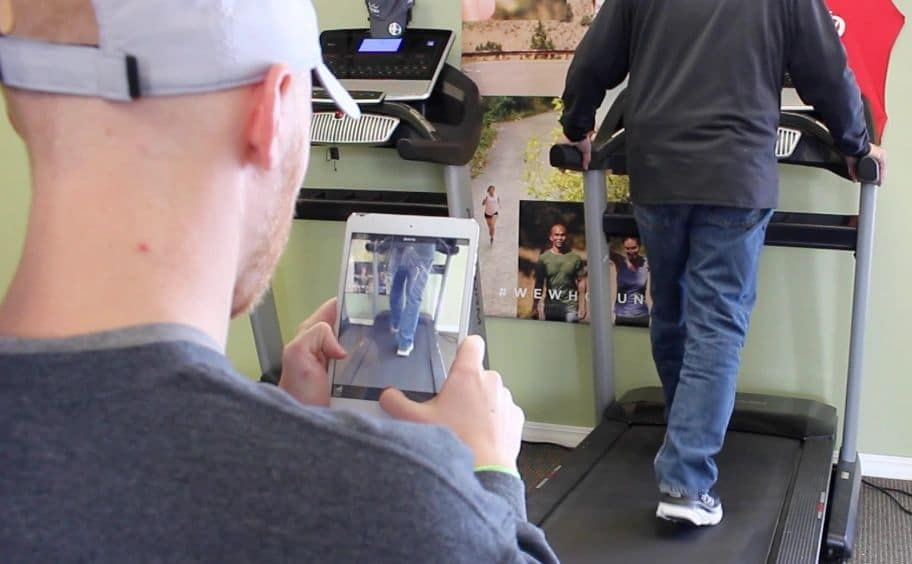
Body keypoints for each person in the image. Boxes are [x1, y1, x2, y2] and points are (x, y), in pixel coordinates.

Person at [0, 1, 558, 562]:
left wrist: (285, 427)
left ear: (20, 102)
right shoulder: (402, 507)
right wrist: (489, 474)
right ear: (267, 116)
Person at [560, 0, 888, 526]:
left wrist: (577, 126)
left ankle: (685, 437)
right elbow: (825, 70)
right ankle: (688, 480)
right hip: (736, 175)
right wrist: (855, 143)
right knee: (717, 322)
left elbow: (593, 62)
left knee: (672, 309)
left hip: (657, 169)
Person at [387, 239, 437, 357]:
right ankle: (404, 344)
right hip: (423, 247)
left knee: (397, 285)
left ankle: (396, 324)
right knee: (414, 296)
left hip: (400, 242)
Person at [533, 223, 587, 323]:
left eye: (562, 235)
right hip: (551, 306)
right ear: (551, 237)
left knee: (571, 336)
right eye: (556, 235)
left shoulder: (575, 258)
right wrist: (535, 306)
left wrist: (583, 305)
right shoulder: (543, 258)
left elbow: (581, 282)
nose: (560, 238)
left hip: (570, 306)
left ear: (566, 237)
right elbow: (538, 284)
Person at [609, 236, 649, 327]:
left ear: (639, 246)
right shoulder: (620, 261)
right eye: (627, 248)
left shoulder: (646, 263)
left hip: (642, 315)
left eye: (634, 248)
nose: (631, 251)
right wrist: (611, 233)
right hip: (622, 315)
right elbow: (603, 248)